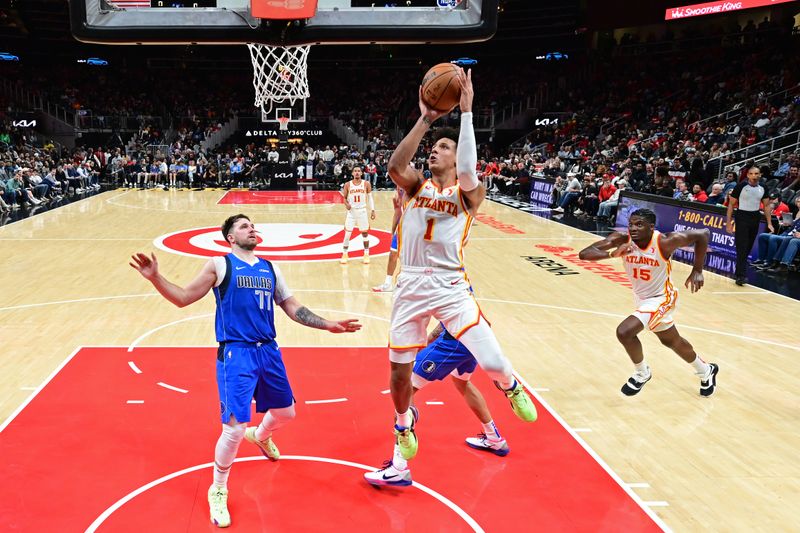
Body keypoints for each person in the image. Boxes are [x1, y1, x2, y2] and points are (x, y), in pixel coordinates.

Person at [130, 214, 362, 528]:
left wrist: (328, 324)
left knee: (287, 413)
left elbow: (293, 308)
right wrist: (156, 277)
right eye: (243, 226)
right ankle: (219, 488)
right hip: (236, 352)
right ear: (229, 237)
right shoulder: (219, 265)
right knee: (234, 428)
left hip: (268, 350)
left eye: (252, 225)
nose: (251, 229)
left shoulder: (270, 268)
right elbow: (183, 298)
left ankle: (261, 435)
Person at [364, 68, 536, 487]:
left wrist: (465, 113)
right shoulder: (414, 186)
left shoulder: (467, 194)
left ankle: (510, 386)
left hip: (451, 285)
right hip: (412, 285)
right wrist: (426, 118)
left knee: (494, 362)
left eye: (444, 147)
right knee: (399, 376)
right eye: (435, 147)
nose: (435, 152)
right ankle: (403, 426)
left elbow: (468, 169)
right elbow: (394, 164)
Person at [578, 208, 719, 397]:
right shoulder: (622, 239)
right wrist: (612, 254)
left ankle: (642, 373)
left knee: (625, 331)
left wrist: (698, 270)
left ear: (651, 227)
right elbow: (584, 254)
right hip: (642, 299)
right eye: (631, 224)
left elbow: (703, 234)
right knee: (672, 341)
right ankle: (705, 370)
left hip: (662, 298)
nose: (633, 228)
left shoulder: (665, 241)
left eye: (639, 224)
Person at [726, 165, 773, 286]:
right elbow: (731, 205)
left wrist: (769, 223)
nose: (754, 176)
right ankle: (741, 276)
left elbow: (767, 206)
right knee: (742, 246)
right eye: (752, 174)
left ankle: (739, 271)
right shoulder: (741, 186)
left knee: (748, 247)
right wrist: (728, 223)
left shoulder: (763, 187)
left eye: (756, 174)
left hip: (755, 217)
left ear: (760, 175)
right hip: (742, 216)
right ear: (748, 175)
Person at [339, 166, 376, 264]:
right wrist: (346, 204)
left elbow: (370, 197)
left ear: (362, 173)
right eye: (355, 171)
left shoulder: (366, 184)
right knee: (347, 234)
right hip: (351, 212)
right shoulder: (347, 184)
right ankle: (345, 254)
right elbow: (344, 198)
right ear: (352, 173)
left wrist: (372, 210)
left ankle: (366, 254)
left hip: (362, 211)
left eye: (359, 171)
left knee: (365, 233)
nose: (357, 173)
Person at [372, 187, 405, 292]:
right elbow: (397, 213)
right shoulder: (396, 198)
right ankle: (388, 283)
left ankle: (404, 283)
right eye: (398, 188)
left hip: (414, 230)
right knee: (392, 255)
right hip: (401, 228)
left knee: (407, 258)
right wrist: (393, 230)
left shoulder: (417, 194)